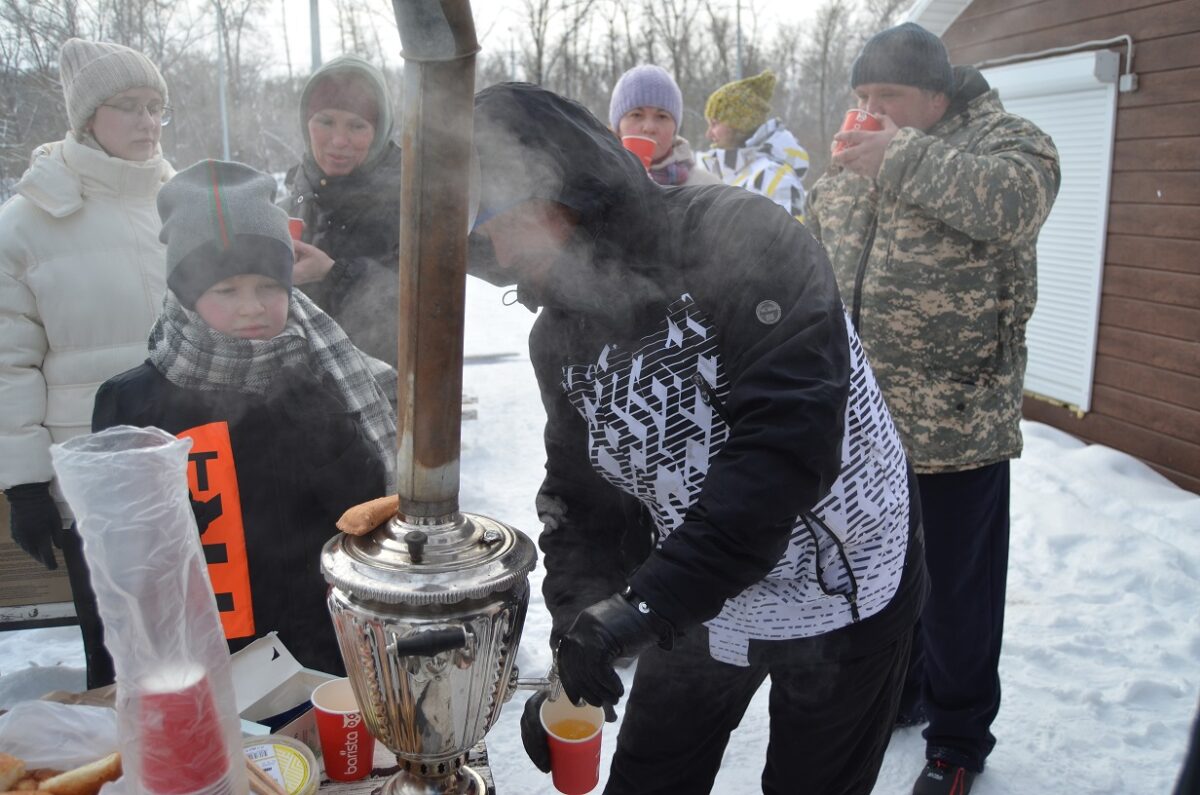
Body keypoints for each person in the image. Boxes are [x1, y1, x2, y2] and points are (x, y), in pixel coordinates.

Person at [468, 82, 928, 795]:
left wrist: (637, 611)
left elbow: (782, 458)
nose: (490, 245)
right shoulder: (559, 338)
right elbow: (582, 504)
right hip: (703, 587)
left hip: (845, 579)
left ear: (556, 194)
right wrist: (577, 648)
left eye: (494, 217)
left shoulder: (743, 237)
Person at [805, 22, 1061, 795]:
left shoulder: (1008, 143)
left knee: (957, 597)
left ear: (937, 95)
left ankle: (957, 739)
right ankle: (903, 694)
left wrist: (900, 157)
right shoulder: (855, 157)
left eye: (888, 96)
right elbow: (812, 248)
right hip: (866, 428)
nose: (869, 111)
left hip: (958, 424)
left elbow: (1015, 206)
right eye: (862, 97)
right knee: (882, 581)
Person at [92, 160, 396, 675]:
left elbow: (369, 507)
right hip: (198, 663)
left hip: (320, 652)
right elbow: (114, 564)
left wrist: (321, 419)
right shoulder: (136, 403)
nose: (252, 307)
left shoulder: (323, 375)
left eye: (269, 287)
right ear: (188, 298)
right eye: (226, 291)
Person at [0, 37, 175, 689]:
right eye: (127, 106)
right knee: (116, 652)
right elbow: (8, 364)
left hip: (193, 458)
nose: (147, 122)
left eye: (156, 106)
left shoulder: (178, 201)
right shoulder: (27, 224)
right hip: (93, 478)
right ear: (85, 119)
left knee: (200, 636)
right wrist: (23, 486)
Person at [282, 54, 403, 367]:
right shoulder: (295, 199)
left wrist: (333, 275)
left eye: (356, 126)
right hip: (305, 392)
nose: (338, 140)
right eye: (325, 121)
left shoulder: (410, 199)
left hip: (389, 391)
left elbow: (428, 307)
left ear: (378, 131)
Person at [698, 69, 808, 221]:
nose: (708, 134)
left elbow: (793, 241)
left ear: (739, 124)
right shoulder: (718, 173)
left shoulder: (776, 178)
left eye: (715, 124)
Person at [608, 64, 720, 187]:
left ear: (674, 129)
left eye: (662, 116)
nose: (649, 128)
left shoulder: (707, 190)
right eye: (636, 115)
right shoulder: (594, 184)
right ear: (617, 127)